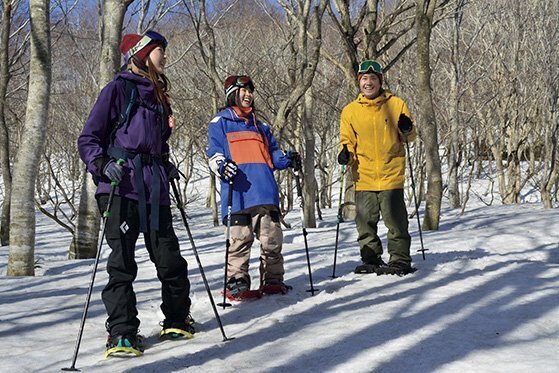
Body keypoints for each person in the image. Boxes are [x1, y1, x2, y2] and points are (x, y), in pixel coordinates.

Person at [78, 30, 194, 356]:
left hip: (154, 189)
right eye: (161, 50)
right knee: (122, 264)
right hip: (120, 188)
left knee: (169, 259)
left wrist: (165, 163)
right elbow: (89, 138)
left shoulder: (158, 96)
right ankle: (122, 333)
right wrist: (101, 165)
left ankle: (176, 318)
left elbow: (156, 145)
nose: (166, 56)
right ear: (143, 53)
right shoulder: (118, 89)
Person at [206, 75, 300, 299]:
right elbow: (214, 153)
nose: (248, 95)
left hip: (265, 191)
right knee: (239, 241)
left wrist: (287, 158)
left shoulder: (261, 126)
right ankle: (237, 280)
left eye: (250, 91)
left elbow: (273, 156)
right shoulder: (220, 122)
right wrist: (222, 165)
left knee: (272, 240)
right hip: (238, 194)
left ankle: (273, 280)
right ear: (232, 95)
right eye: (243, 90)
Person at [338, 59, 417, 276]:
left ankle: (400, 259)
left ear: (380, 81)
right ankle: (370, 258)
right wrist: (345, 154)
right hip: (363, 175)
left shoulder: (396, 105)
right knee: (365, 222)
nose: (368, 83)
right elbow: (347, 140)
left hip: (391, 173)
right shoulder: (350, 111)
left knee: (396, 221)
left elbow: (409, 136)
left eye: (373, 78)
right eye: (364, 79)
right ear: (359, 82)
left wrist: (407, 128)